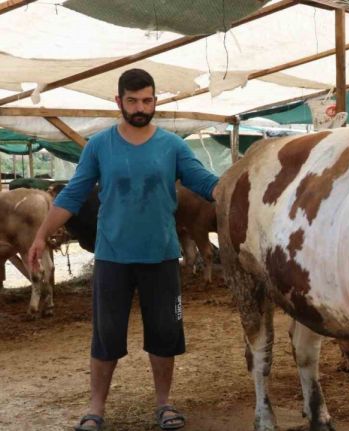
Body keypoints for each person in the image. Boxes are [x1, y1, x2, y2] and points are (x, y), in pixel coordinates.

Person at [28, 68, 219, 431]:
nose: (140, 107)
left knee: (165, 335)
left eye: (147, 100)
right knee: (106, 336)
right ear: (119, 102)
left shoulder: (172, 146)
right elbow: (72, 194)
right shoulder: (100, 145)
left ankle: (164, 404)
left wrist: (234, 188)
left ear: (155, 102)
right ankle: (95, 408)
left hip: (161, 257)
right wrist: (40, 235)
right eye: (132, 101)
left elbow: (204, 182)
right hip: (113, 258)